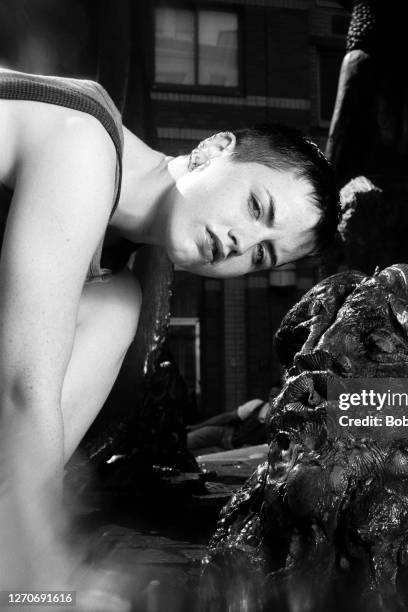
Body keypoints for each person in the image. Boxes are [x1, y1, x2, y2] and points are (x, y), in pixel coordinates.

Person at [0, 68, 339, 597]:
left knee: (118, 305)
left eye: (262, 254)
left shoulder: (112, 273)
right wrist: (42, 577)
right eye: (255, 207)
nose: (239, 244)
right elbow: (21, 390)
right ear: (213, 149)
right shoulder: (85, 144)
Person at [187, 386, 281, 453]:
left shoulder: (284, 420)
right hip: (225, 433)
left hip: (237, 450)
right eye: (273, 396)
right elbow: (227, 417)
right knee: (187, 441)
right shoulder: (257, 404)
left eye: (279, 396)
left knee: (201, 457)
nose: (275, 399)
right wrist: (196, 427)